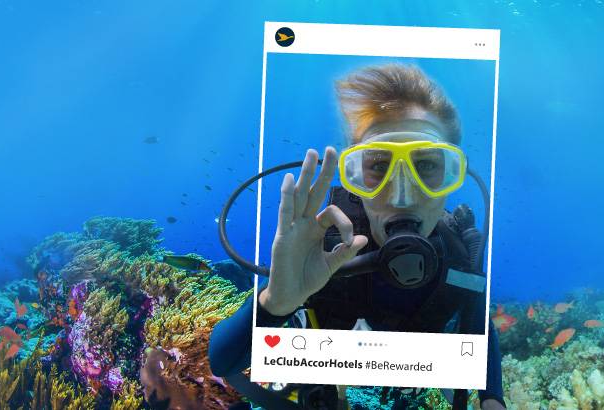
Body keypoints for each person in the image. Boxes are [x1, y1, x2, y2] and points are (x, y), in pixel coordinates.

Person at [209, 64, 505, 409]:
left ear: (452, 176)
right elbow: (223, 362)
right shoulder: (325, 248)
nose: (402, 197)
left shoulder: (460, 257)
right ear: (355, 179)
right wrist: (276, 301)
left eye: (426, 165)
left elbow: (479, 328)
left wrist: (492, 400)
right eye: (378, 166)